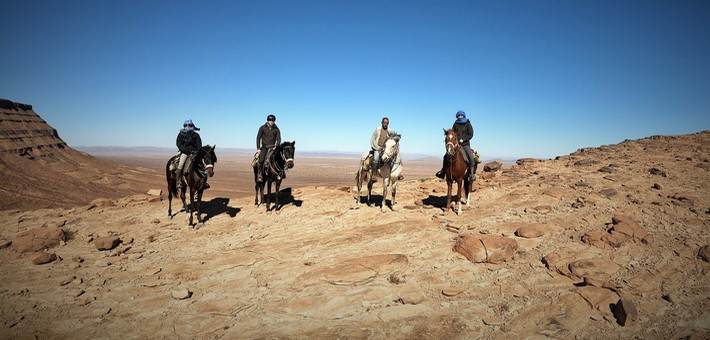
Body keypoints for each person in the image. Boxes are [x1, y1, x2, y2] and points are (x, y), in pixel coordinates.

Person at [436, 110, 476, 180]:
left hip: (465, 144)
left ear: (464, 116)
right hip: (456, 144)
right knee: (445, 156)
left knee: (471, 158)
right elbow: (453, 132)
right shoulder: (456, 123)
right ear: (457, 116)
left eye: (461, 115)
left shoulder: (468, 124)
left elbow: (471, 134)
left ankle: (471, 174)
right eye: (459, 115)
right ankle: (443, 172)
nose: (460, 116)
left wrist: (463, 139)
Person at [176, 119, 202, 189]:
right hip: (185, 153)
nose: (187, 126)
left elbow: (199, 145)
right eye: (185, 125)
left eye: (189, 125)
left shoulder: (196, 135)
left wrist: (196, 151)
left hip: (194, 153)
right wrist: (186, 150)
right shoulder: (181, 134)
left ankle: (203, 182)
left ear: (192, 126)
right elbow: (179, 144)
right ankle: (178, 182)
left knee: (202, 165)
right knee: (181, 164)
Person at [255, 114, 282, 183]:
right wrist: (258, 148)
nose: (271, 122)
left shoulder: (276, 129)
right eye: (270, 120)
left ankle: (280, 174)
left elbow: (279, 139)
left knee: (279, 159)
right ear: (267, 121)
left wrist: (276, 146)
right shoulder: (262, 128)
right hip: (264, 147)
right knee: (261, 160)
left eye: (272, 120)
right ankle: (260, 175)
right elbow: (258, 138)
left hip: (273, 147)